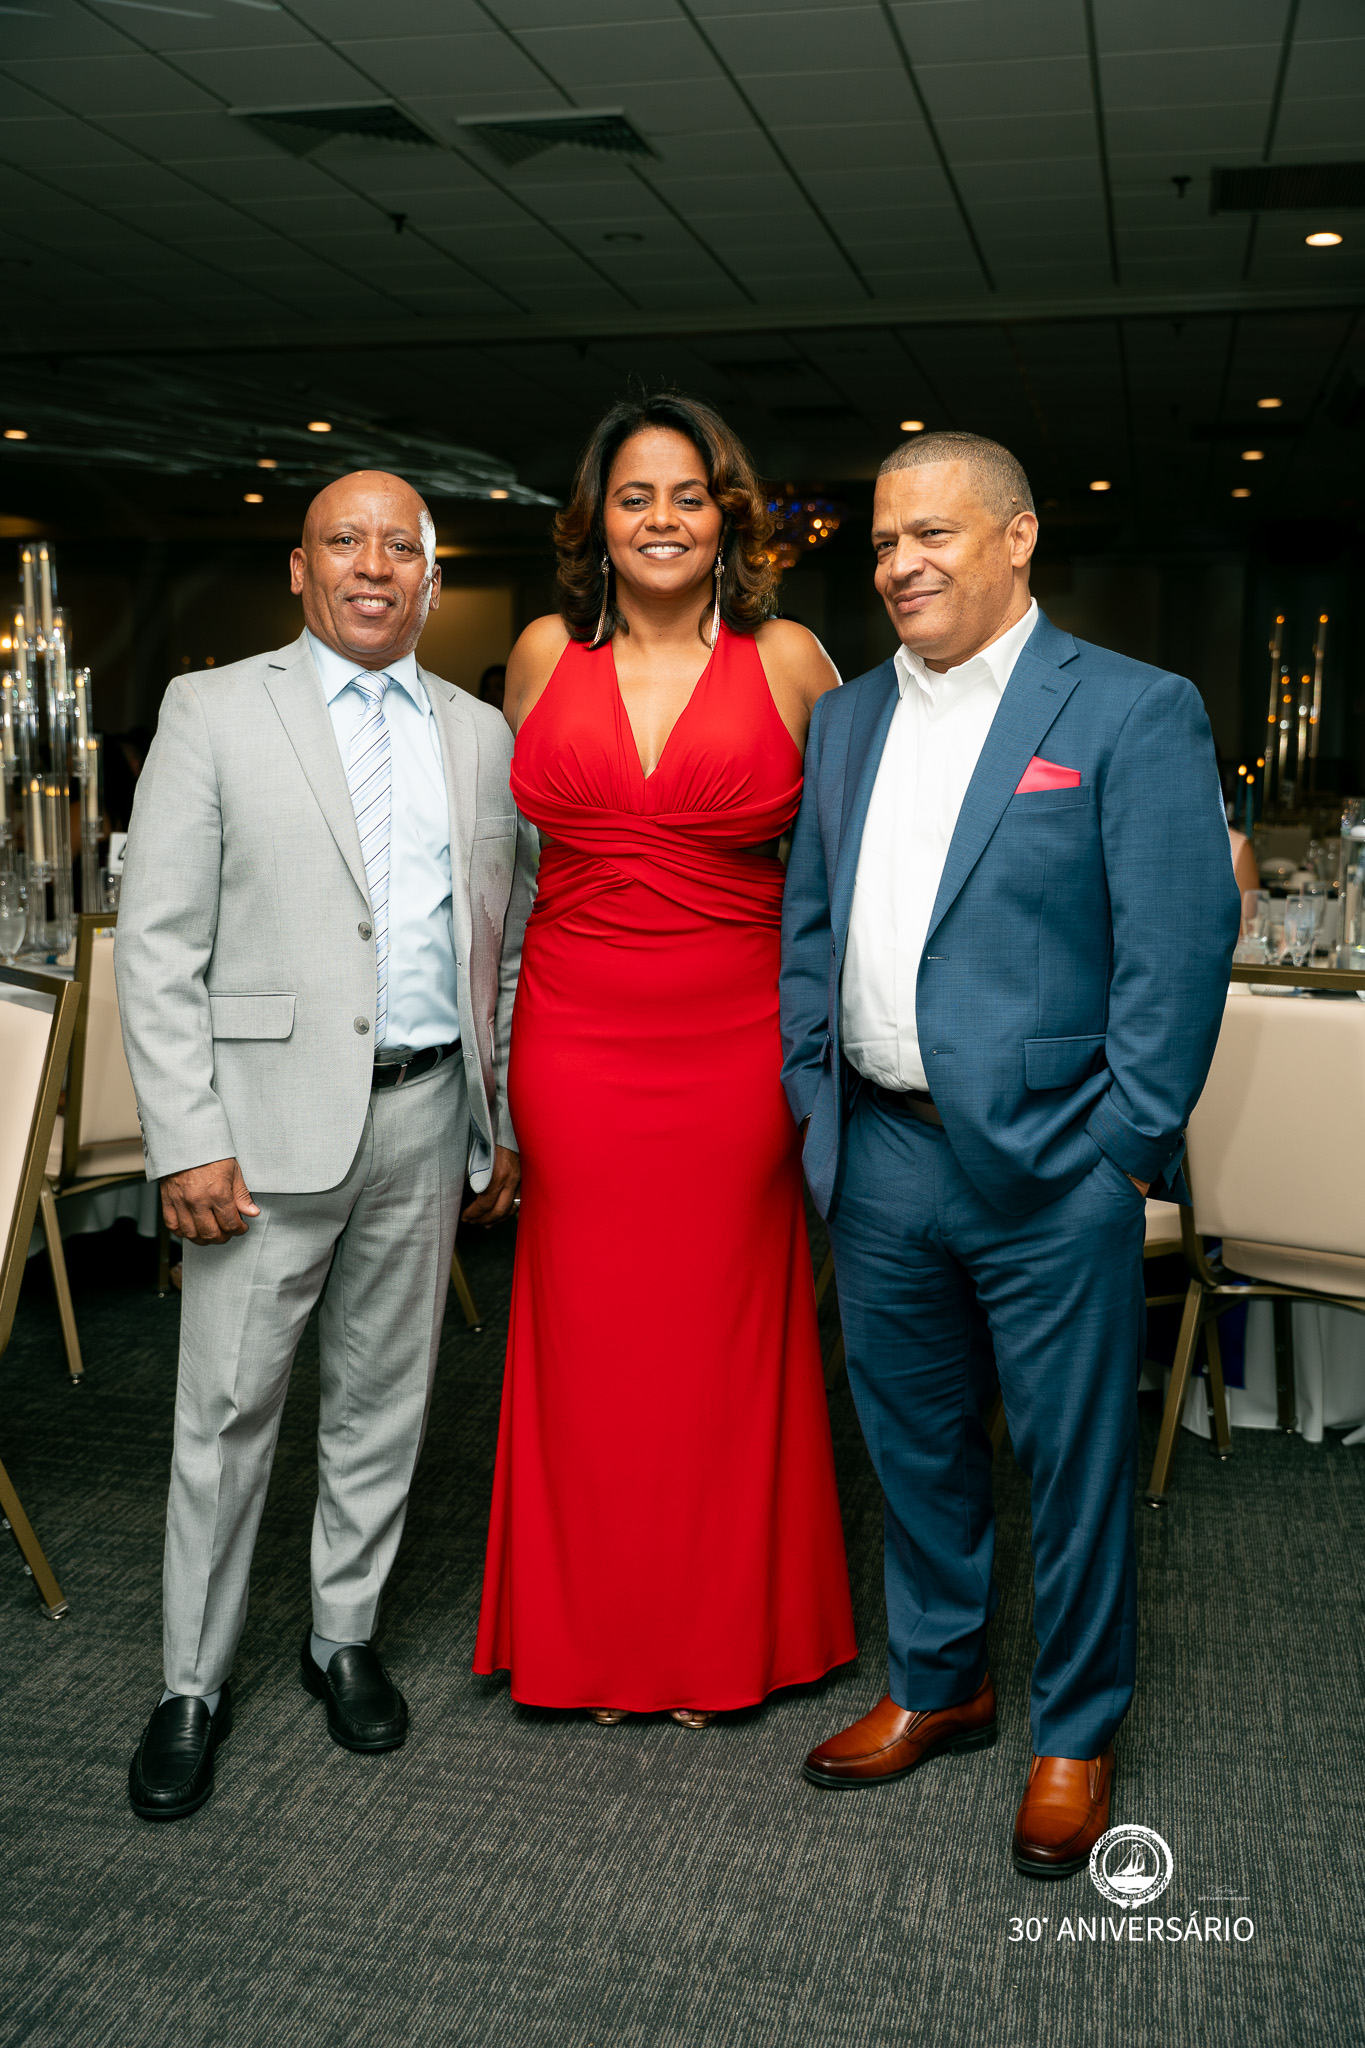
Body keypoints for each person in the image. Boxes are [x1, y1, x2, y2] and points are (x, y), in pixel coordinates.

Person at [781, 431, 1238, 1873]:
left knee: (1072, 1464)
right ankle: (940, 1682)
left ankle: (1076, 1731)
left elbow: (1178, 950)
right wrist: (814, 1099)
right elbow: (809, 926)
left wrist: (1122, 1151)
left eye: (933, 533)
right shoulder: (846, 720)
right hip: (880, 1151)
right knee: (913, 1448)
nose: (900, 564)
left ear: (1019, 537)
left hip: (1054, 1168)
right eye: (882, 541)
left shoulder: (1129, 708)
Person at [116, 470, 536, 1821]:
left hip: (426, 1114)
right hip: (259, 1135)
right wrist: (187, 1139)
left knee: (382, 1401)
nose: (372, 565)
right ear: (299, 570)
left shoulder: (481, 734)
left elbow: (503, 944)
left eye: (399, 547)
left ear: (430, 577)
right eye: (343, 542)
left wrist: (496, 1117)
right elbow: (158, 944)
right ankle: (191, 1683)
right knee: (226, 1414)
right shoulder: (213, 710)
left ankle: (341, 1636)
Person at [473, 394, 856, 1724]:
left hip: (735, 1041)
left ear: (726, 514)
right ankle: (591, 1637)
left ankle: (715, 1636)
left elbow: (851, 870)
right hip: (575, 1036)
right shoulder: (540, 654)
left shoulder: (792, 660)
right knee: (586, 1336)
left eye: (686, 496)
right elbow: (505, 875)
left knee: (720, 1337)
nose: (661, 520)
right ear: (598, 522)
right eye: (634, 497)